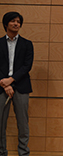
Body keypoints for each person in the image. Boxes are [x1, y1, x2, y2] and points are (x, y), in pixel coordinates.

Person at [0, 11, 34, 156]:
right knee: (1, 123)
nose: (16, 24)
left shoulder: (27, 44)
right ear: (6, 24)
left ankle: (23, 153)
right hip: (1, 87)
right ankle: (2, 152)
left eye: (18, 21)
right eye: (13, 21)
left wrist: (11, 80)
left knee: (23, 123)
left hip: (21, 86)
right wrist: (5, 84)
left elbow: (27, 66)